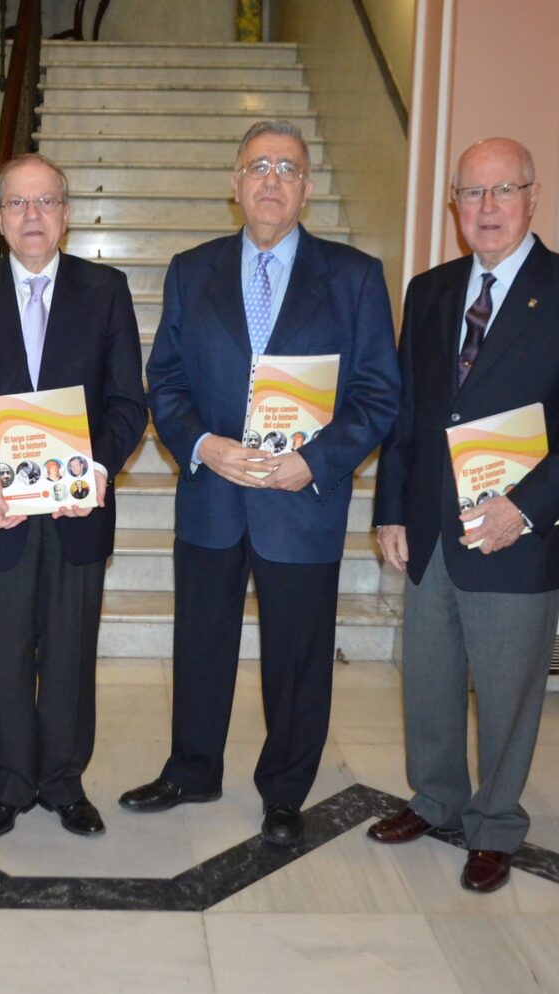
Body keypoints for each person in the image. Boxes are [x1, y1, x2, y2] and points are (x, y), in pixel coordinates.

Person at [120, 120, 400, 846]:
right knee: (201, 642)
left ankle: (284, 790)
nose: (271, 180)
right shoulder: (191, 268)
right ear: (235, 185)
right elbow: (167, 379)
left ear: (306, 189)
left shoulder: (356, 276)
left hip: (300, 500)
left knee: (299, 655)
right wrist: (202, 445)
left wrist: (318, 460)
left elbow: (378, 394)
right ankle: (192, 769)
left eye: (287, 168)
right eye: (257, 167)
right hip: (213, 496)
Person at [369, 138, 559, 893]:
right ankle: (437, 799)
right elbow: (411, 412)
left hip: (518, 531)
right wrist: (392, 507)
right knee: (430, 680)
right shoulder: (430, 290)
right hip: (431, 530)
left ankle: (495, 824)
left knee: (509, 688)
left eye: (502, 191)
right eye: (471, 194)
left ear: (532, 196)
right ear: (452, 206)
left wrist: (527, 508)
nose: (486, 208)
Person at [0, 153, 147, 839]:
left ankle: (62, 783)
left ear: (66, 214)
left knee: (70, 653)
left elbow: (126, 403)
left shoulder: (105, 290)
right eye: (17, 204)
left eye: (45, 202)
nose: (32, 216)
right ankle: (10, 786)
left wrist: (98, 470)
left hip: (77, 510)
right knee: (3, 650)